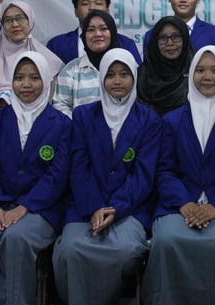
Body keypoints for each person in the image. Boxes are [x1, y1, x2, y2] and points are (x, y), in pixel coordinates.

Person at [141, 46, 215, 305]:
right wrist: (184, 202)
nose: (207, 77)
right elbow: (164, 170)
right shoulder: (172, 120)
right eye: (200, 70)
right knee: (167, 241)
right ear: (191, 74)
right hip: (179, 207)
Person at [0, 52, 71, 305]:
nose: (26, 85)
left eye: (34, 78)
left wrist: (24, 207)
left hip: (40, 209)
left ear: (46, 81)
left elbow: (57, 176)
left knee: (16, 238)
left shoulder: (62, 124)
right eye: (19, 78)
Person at [54, 49, 161, 305]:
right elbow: (78, 167)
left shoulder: (150, 120)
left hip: (130, 208)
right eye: (110, 75)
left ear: (134, 77)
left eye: (124, 74)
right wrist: (93, 207)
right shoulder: (83, 116)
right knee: (69, 251)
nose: (117, 81)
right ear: (101, 78)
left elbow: (144, 174)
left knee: (125, 251)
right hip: (85, 207)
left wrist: (115, 208)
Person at [0, 0, 64, 115]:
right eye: (8, 20)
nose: (14, 24)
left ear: (30, 20)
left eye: (20, 18)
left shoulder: (45, 56)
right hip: (0, 120)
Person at [46, 0, 142, 64]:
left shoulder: (126, 44)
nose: (92, 8)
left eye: (98, 3)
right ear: (76, 12)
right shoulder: (56, 45)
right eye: (85, 3)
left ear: (107, 11)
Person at [52, 10, 120, 118]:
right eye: (91, 30)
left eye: (103, 29)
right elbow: (60, 105)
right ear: (84, 35)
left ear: (112, 32)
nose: (97, 34)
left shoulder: (128, 66)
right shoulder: (71, 70)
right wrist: (80, 125)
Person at [137, 16, 195, 115]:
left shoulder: (196, 70)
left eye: (176, 37)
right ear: (155, 42)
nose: (170, 43)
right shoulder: (142, 75)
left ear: (185, 39)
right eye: (163, 38)